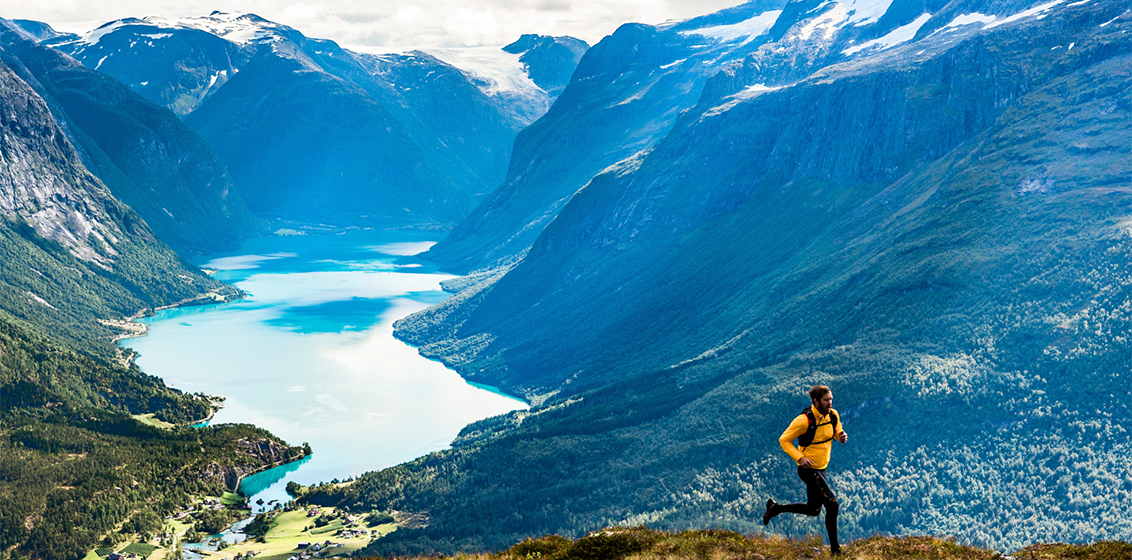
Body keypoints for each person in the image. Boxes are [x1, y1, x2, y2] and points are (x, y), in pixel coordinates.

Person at [762, 385, 848, 556]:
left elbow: (837, 431)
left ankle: (776, 508)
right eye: (826, 400)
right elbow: (784, 440)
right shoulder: (803, 421)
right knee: (832, 504)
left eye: (831, 399)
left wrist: (841, 436)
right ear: (816, 401)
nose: (830, 402)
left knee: (814, 509)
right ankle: (835, 551)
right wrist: (800, 458)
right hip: (808, 469)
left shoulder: (833, 415)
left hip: (821, 468)